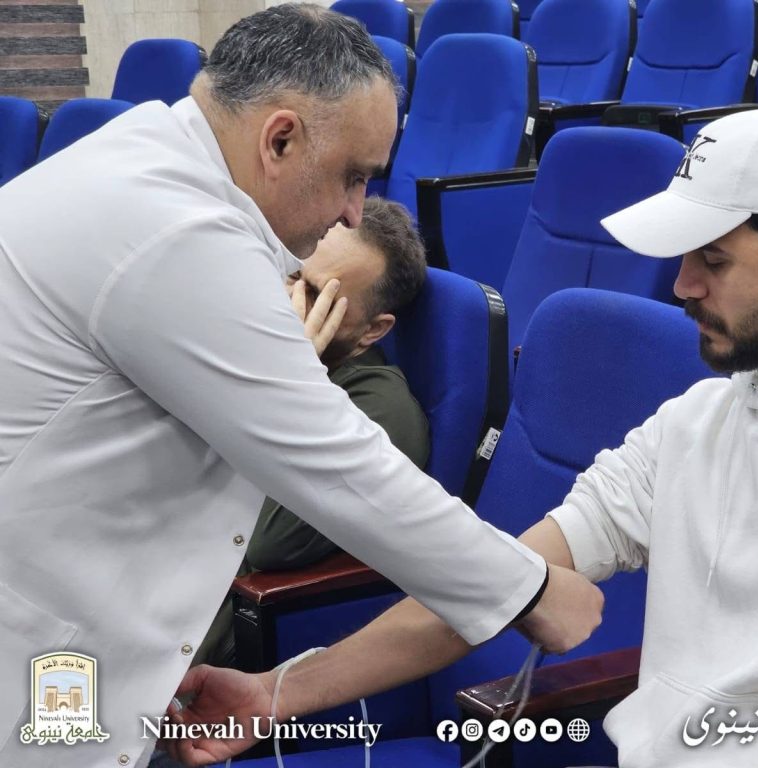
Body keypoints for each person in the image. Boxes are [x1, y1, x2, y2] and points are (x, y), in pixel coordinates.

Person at [165, 106, 758, 768]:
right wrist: (276, 694)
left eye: (713, 260)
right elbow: (492, 584)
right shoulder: (693, 426)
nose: (680, 285)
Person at [0, 5, 602, 767]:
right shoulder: (181, 232)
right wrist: (527, 591)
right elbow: (330, 458)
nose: (354, 209)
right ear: (279, 139)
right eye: (353, 175)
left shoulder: (137, 155)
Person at [196, 196, 431, 668]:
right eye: (291, 274)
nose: (288, 299)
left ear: (373, 330)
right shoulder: (246, 346)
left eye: (315, 292)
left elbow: (270, 543)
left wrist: (289, 378)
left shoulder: (380, 410)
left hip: (208, 643)